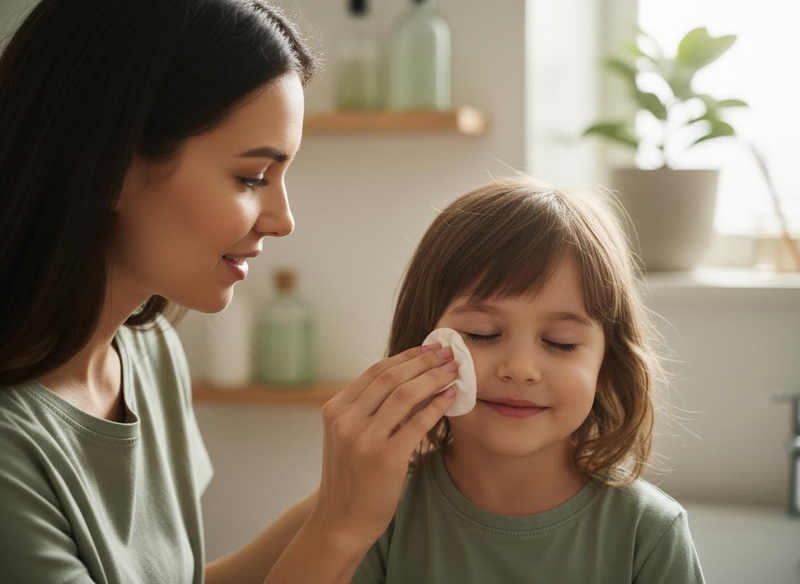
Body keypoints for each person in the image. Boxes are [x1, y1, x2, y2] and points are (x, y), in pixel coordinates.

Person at [0, 1, 459, 582]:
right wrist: (340, 528)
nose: (283, 219)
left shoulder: (146, 353)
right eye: (250, 178)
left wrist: (361, 488)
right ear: (110, 164)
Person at [351, 178, 706, 583]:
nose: (520, 368)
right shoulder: (377, 514)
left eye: (561, 343)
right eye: (483, 333)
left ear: (607, 368)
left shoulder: (649, 533)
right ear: (421, 344)